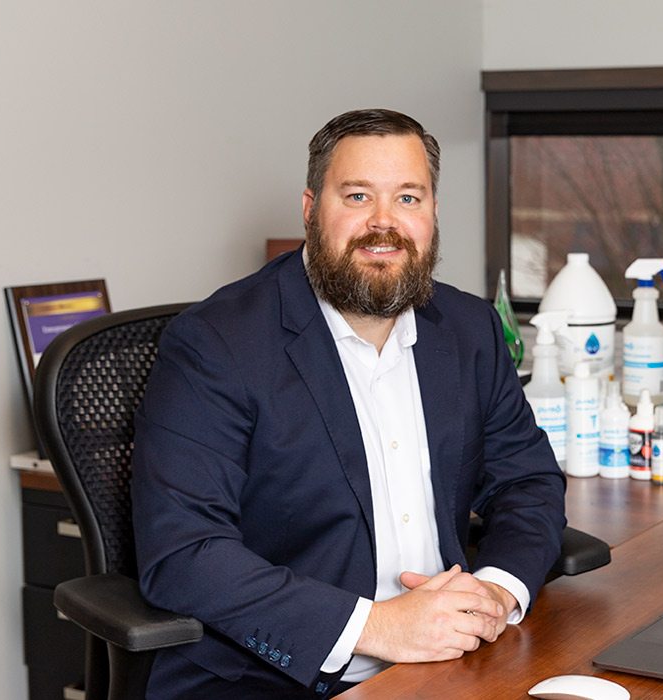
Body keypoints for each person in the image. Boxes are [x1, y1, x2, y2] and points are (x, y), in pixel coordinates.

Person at [131, 108, 567, 698]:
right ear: (311, 210)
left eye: (408, 198)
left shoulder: (468, 329)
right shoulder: (216, 344)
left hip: (447, 666)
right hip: (270, 680)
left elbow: (528, 480)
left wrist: (496, 590)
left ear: (433, 212)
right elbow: (184, 553)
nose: (384, 223)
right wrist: (380, 627)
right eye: (358, 195)